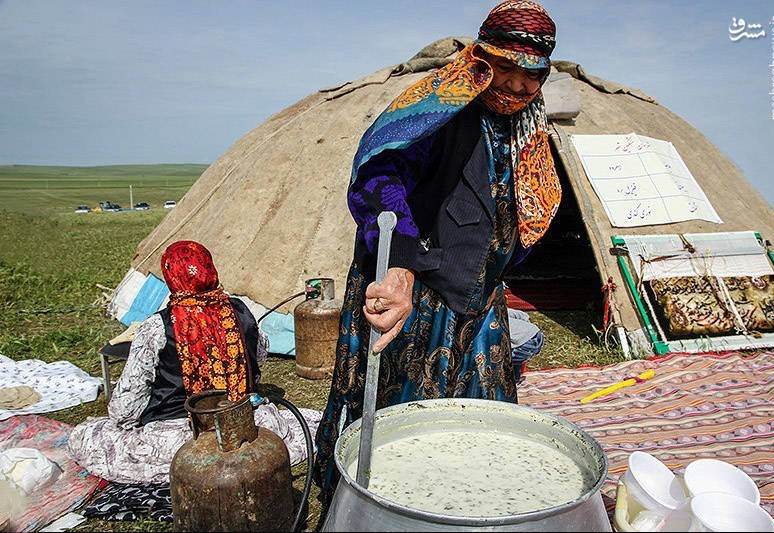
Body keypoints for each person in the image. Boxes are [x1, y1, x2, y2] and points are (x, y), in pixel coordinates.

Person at [313, 0, 561, 506]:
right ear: (481, 58)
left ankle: (470, 498)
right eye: (506, 68)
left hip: (477, 288)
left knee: (480, 414)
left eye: (531, 74)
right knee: (406, 414)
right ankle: (388, 506)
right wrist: (400, 265)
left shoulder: (524, 124)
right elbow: (382, 177)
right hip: (416, 284)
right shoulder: (440, 107)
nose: (516, 85)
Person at [69, 241, 320, 484]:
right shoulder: (240, 312)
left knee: (85, 436)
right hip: (242, 424)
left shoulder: (157, 328)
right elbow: (260, 355)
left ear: (171, 277)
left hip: (181, 436)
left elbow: (124, 410)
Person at [508, 307, 543, 383]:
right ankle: (515, 379)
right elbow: (523, 315)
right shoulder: (497, 310)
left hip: (524, 345)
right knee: (514, 357)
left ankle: (510, 383)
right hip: (537, 334)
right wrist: (525, 329)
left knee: (500, 359)